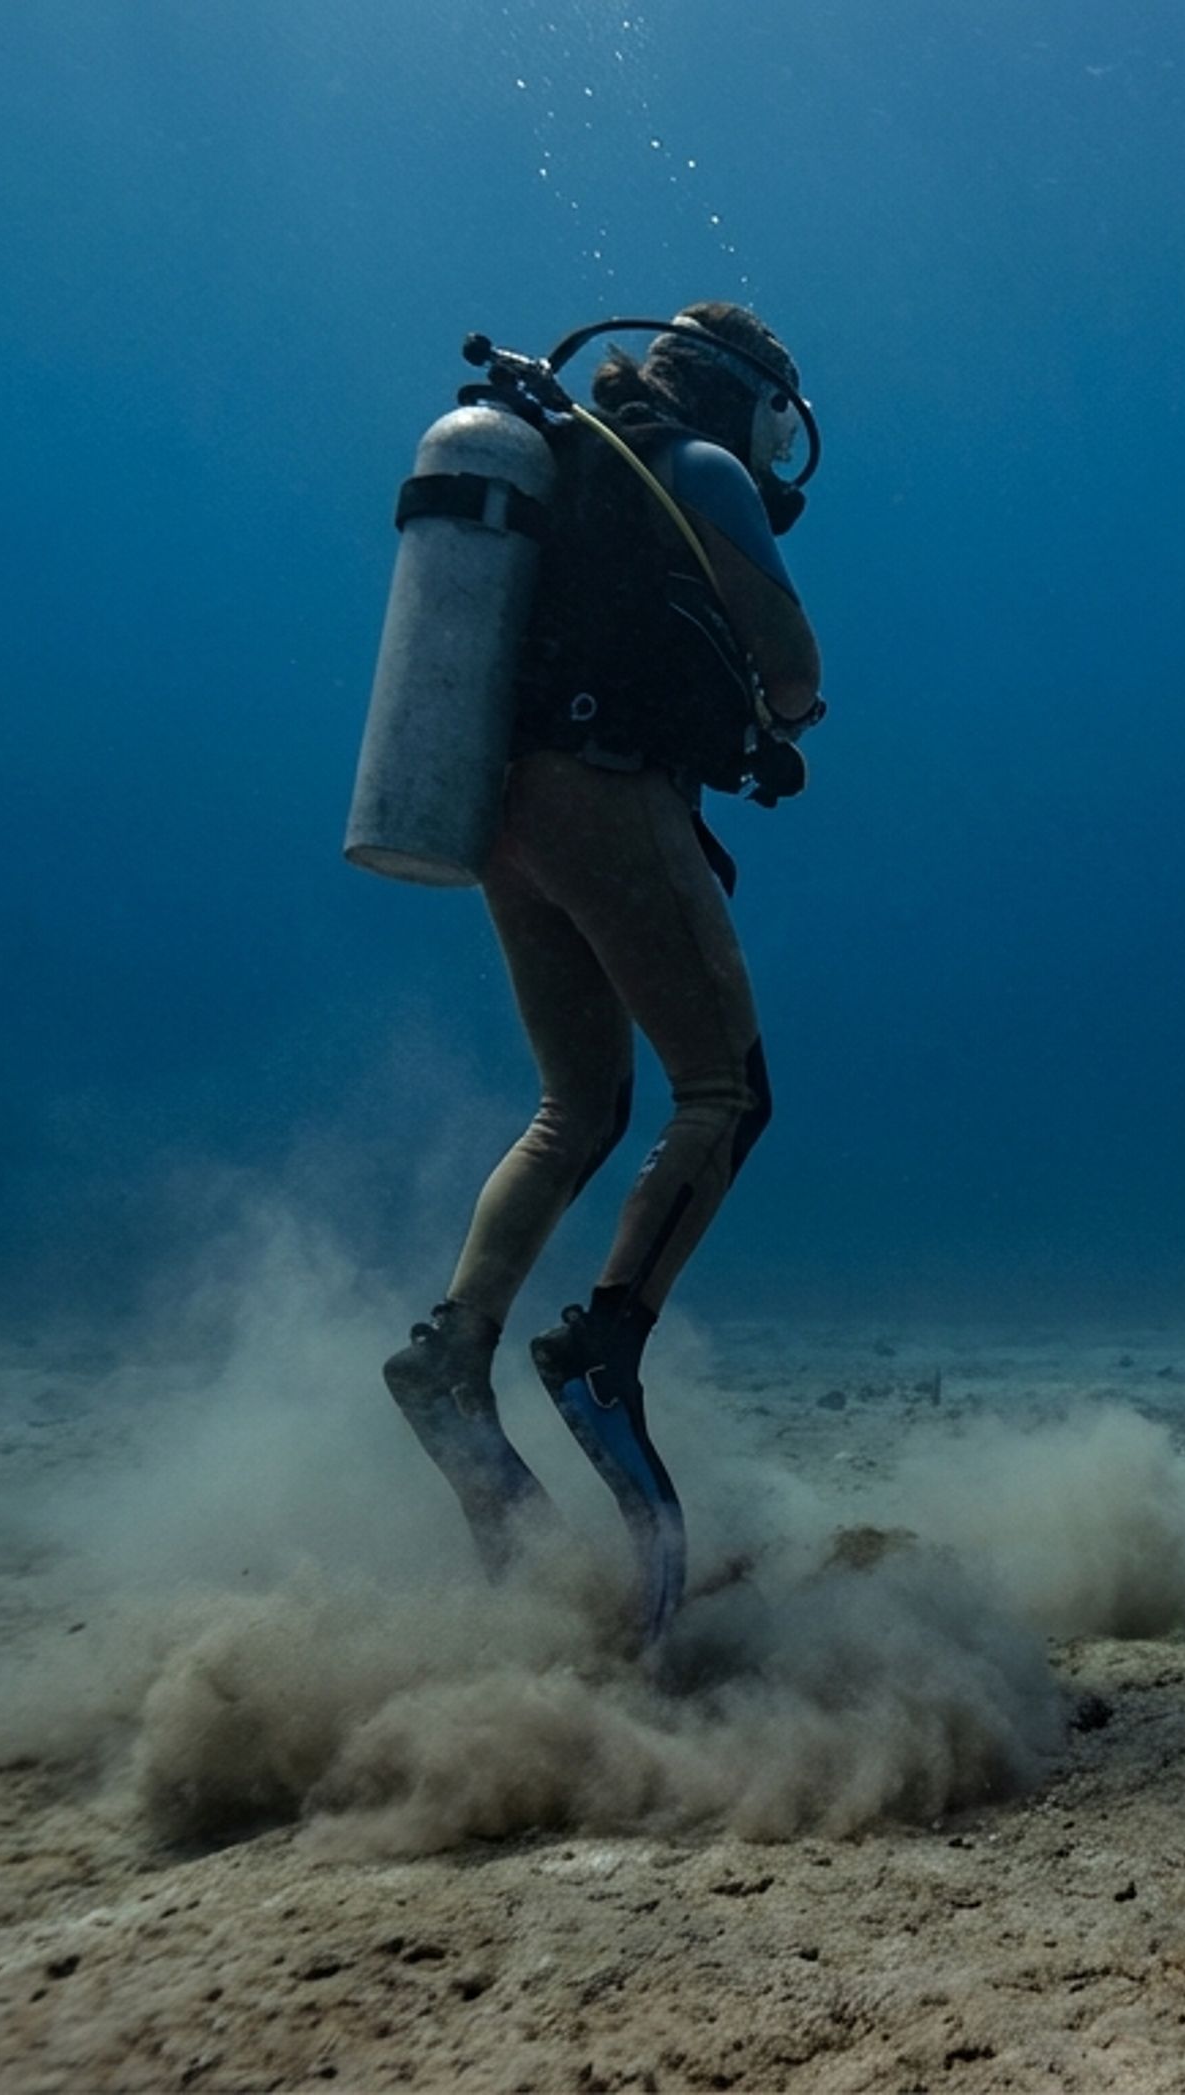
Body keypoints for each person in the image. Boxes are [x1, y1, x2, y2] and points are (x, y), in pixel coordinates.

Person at [379, 303, 825, 1659]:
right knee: (727, 1095)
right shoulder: (699, 470)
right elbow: (791, 662)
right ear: (754, 401)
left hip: (504, 808)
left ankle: (453, 1353)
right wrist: (782, 718)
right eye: (781, 422)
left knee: (580, 1104)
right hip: (599, 791)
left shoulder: (571, 464)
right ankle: (603, 1354)